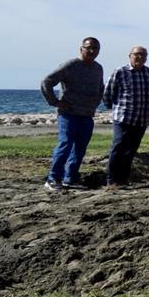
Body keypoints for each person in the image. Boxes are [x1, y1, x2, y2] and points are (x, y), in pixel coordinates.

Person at [42, 37, 105, 191]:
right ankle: (53, 179)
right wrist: (55, 102)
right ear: (81, 48)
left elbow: (100, 88)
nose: (92, 51)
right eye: (88, 47)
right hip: (68, 115)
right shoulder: (70, 65)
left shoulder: (98, 68)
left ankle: (70, 178)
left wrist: (95, 103)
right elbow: (47, 81)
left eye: (95, 48)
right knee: (65, 145)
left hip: (87, 116)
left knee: (79, 149)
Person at [102, 45, 149, 188]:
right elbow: (108, 93)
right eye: (137, 54)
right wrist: (114, 110)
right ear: (130, 55)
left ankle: (123, 179)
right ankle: (111, 180)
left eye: (143, 55)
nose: (140, 57)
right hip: (123, 118)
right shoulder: (120, 72)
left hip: (141, 119)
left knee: (131, 151)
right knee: (118, 148)